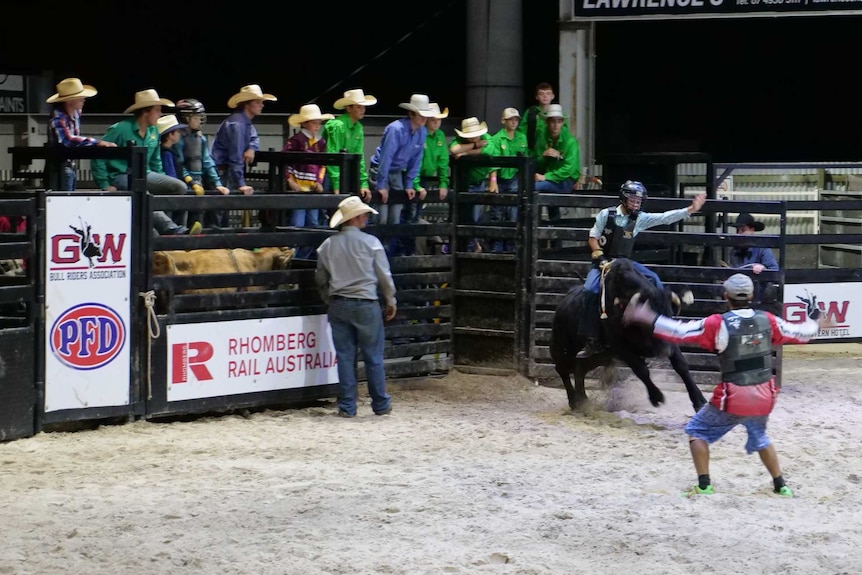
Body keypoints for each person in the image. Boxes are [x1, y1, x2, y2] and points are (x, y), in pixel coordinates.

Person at [623, 272, 828, 497]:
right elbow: (800, 332)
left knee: (696, 430)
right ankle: (781, 485)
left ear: (725, 296)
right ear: (751, 295)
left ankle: (704, 485)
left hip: (734, 396)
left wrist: (647, 317)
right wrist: (816, 321)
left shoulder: (717, 324)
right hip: (765, 395)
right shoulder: (768, 320)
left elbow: (679, 331)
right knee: (759, 436)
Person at [577, 181, 707, 358]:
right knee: (589, 291)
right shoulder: (606, 215)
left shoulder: (639, 218)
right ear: (623, 199)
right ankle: (591, 338)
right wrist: (600, 258)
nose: (637, 203)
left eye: (639, 201)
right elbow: (593, 237)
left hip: (624, 264)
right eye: (633, 200)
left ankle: (664, 318)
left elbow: (664, 217)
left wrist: (690, 209)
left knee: (653, 278)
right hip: (603, 262)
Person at [315, 196, 397, 418]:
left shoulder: (327, 246)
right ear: (357, 217)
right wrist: (390, 300)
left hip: (338, 303)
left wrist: (327, 298)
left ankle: (348, 406)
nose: (367, 218)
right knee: (373, 356)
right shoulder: (371, 243)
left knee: (344, 356)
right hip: (366, 303)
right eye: (364, 215)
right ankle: (380, 404)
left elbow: (321, 277)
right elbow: (384, 277)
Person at [91, 89, 200, 236]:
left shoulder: (153, 131)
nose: (160, 114)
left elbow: (155, 161)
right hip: (120, 175)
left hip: (145, 173)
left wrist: (162, 181)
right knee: (142, 190)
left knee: (179, 186)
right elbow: (98, 155)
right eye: (158, 110)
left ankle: (171, 227)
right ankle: (173, 230)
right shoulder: (121, 128)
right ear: (146, 112)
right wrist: (104, 184)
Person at [368, 94, 435, 255]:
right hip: (381, 169)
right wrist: (382, 184)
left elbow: (416, 160)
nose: (425, 118)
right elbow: (386, 157)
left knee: (395, 216)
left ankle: (387, 256)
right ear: (412, 113)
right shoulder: (395, 129)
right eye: (421, 114)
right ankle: (376, 254)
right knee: (381, 217)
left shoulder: (421, 132)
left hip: (396, 171)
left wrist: (410, 184)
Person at [211, 84, 277, 226]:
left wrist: (252, 148)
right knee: (218, 210)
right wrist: (240, 183)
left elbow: (254, 138)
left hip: (223, 169)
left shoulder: (243, 122)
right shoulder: (238, 125)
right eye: (258, 102)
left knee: (221, 208)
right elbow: (235, 155)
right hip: (220, 170)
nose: (262, 105)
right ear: (247, 104)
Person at [46, 77, 117, 190]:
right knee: (63, 200)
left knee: (69, 196)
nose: (84, 99)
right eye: (80, 97)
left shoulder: (76, 113)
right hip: (59, 166)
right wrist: (97, 142)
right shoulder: (58, 117)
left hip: (70, 164)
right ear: (70, 100)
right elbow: (68, 140)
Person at [174, 98, 230, 228]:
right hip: (184, 181)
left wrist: (217, 183)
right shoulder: (178, 138)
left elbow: (207, 161)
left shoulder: (200, 138)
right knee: (181, 213)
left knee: (199, 212)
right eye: (196, 117)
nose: (200, 120)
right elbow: (178, 164)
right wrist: (191, 182)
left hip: (198, 180)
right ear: (186, 117)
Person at [485, 107, 529, 252]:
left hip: (514, 178)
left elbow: (525, 158)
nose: (514, 122)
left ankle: (511, 246)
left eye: (516, 119)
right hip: (501, 179)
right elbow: (495, 160)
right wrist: (493, 179)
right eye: (511, 119)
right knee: (497, 212)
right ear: (504, 121)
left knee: (513, 213)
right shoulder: (497, 138)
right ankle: (497, 246)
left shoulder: (521, 137)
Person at [324, 88, 377, 200]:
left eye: (363, 107)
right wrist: (337, 184)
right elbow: (332, 156)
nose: (363, 110)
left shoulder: (359, 127)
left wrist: (363, 183)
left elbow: (359, 157)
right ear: (348, 108)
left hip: (345, 174)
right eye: (359, 107)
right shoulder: (338, 126)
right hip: (329, 174)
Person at [533, 104, 580, 222]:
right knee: (548, 198)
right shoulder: (543, 138)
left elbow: (568, 169)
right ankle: (549, 232)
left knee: (534, 188)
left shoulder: (570, 142)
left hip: (565, 181)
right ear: (547, 123)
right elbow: (537, 161)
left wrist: (545, 177)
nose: (555, 125)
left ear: (562, 123)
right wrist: (544, 156)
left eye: (558, 121)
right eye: (552, 121)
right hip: (550, 178)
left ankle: (533, 225)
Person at [407, 102, 450, 229]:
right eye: (433, 119)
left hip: (424, 178)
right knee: (410, 212)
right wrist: (415, 184)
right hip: (413, 177)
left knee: (417, 212)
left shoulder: (440, 135)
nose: (436, 122)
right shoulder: (419, 133)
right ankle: (406, 246)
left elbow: (443, 161)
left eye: (438, 119)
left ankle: (410, 246)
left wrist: (443, 183)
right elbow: (413, 161)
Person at [516, 82, 568, 152]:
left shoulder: (558, 115)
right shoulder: (531, 113)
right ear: (536, 97)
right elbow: (522, 134)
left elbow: (565, 135)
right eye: (541, 94)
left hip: (554, 152)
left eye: (548, 94)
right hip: (534, 153)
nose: (545, 96)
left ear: (553, 96)